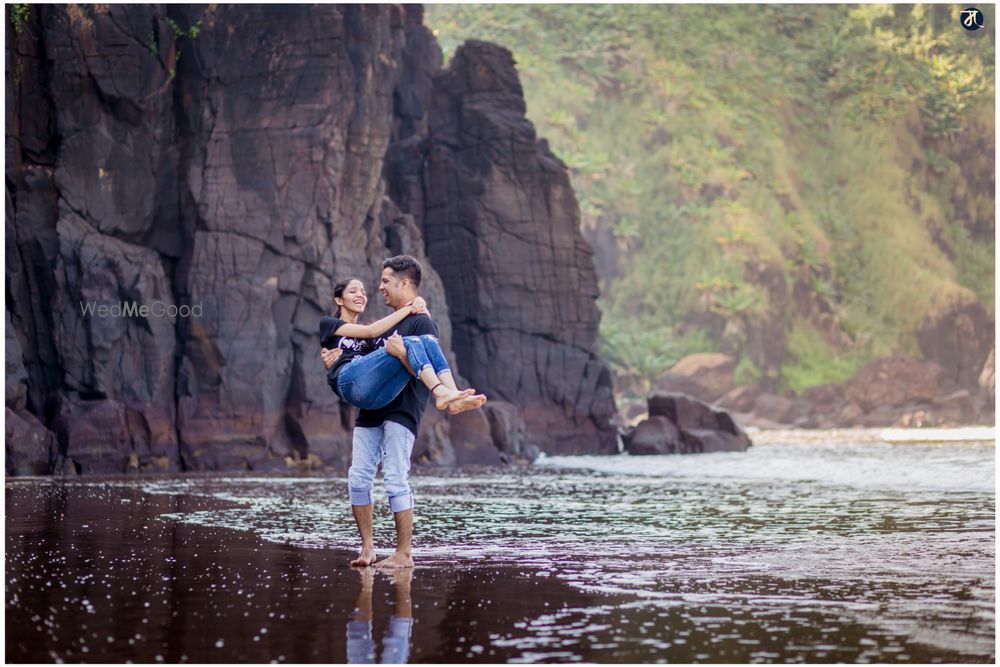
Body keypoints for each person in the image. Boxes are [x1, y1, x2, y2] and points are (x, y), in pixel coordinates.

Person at [320, 256, 486, 569]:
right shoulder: (387, 323)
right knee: (358, 478)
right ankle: (367, 549)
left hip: (403, 409)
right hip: (372, 408)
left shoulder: (421, 321)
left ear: (404, 283)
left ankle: (403, 553)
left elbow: (422, 364)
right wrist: (335, 357)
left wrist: (401, 353)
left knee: (396, 477)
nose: (378, 288)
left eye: (385, 281)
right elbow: (367, 356)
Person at [319, 278, 476, 412]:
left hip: (375, 398)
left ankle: (454, 395)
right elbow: (371, 331)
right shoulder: (329, 324)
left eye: (363, 292)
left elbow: (402, 356)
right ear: (339, 300)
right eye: (353, 291)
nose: (360, 295)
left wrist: (419, 303)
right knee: (408, 341)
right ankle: (439, 391)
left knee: (425, 339)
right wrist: (409, 308)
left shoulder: (369, 342)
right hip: (348, 382)